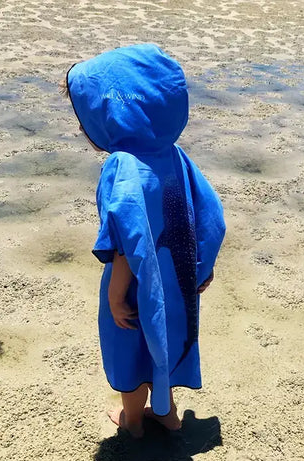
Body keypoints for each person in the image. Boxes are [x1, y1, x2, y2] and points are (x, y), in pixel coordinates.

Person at [61, 43, 226, 438]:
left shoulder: (121, 165)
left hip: (137, 283)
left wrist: (116, 294)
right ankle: (168, 415)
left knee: (131, 347)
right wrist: (203, 267)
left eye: (89, 116)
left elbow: (126, 241)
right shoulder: (175, 155)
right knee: (165, 338)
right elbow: (210, 217)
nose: (83, 128)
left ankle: (132, 421)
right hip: (177, 279)